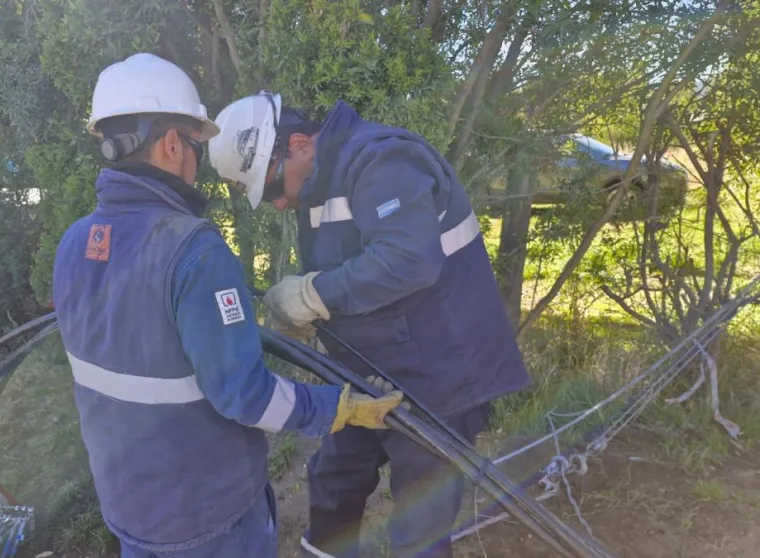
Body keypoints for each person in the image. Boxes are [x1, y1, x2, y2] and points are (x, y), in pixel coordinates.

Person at [50, 54, 406, 558]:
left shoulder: (75, 243)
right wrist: (338, 407)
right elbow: (246, 396)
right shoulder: (194, 250)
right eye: (196, 145)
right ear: (172, 144)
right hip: (207, 514)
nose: (197, 163)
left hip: (129, 507)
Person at [208, 91, 533, 558]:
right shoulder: (319, 185)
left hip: (438, 377)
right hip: (370, 372)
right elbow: (353, 274)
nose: (278, 204)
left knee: (417, 521)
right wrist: (318, 315)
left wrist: (315, 295)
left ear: (298, 144)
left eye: (275, 188)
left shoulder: (381, 160)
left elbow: (408, 261)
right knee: (333, 482)